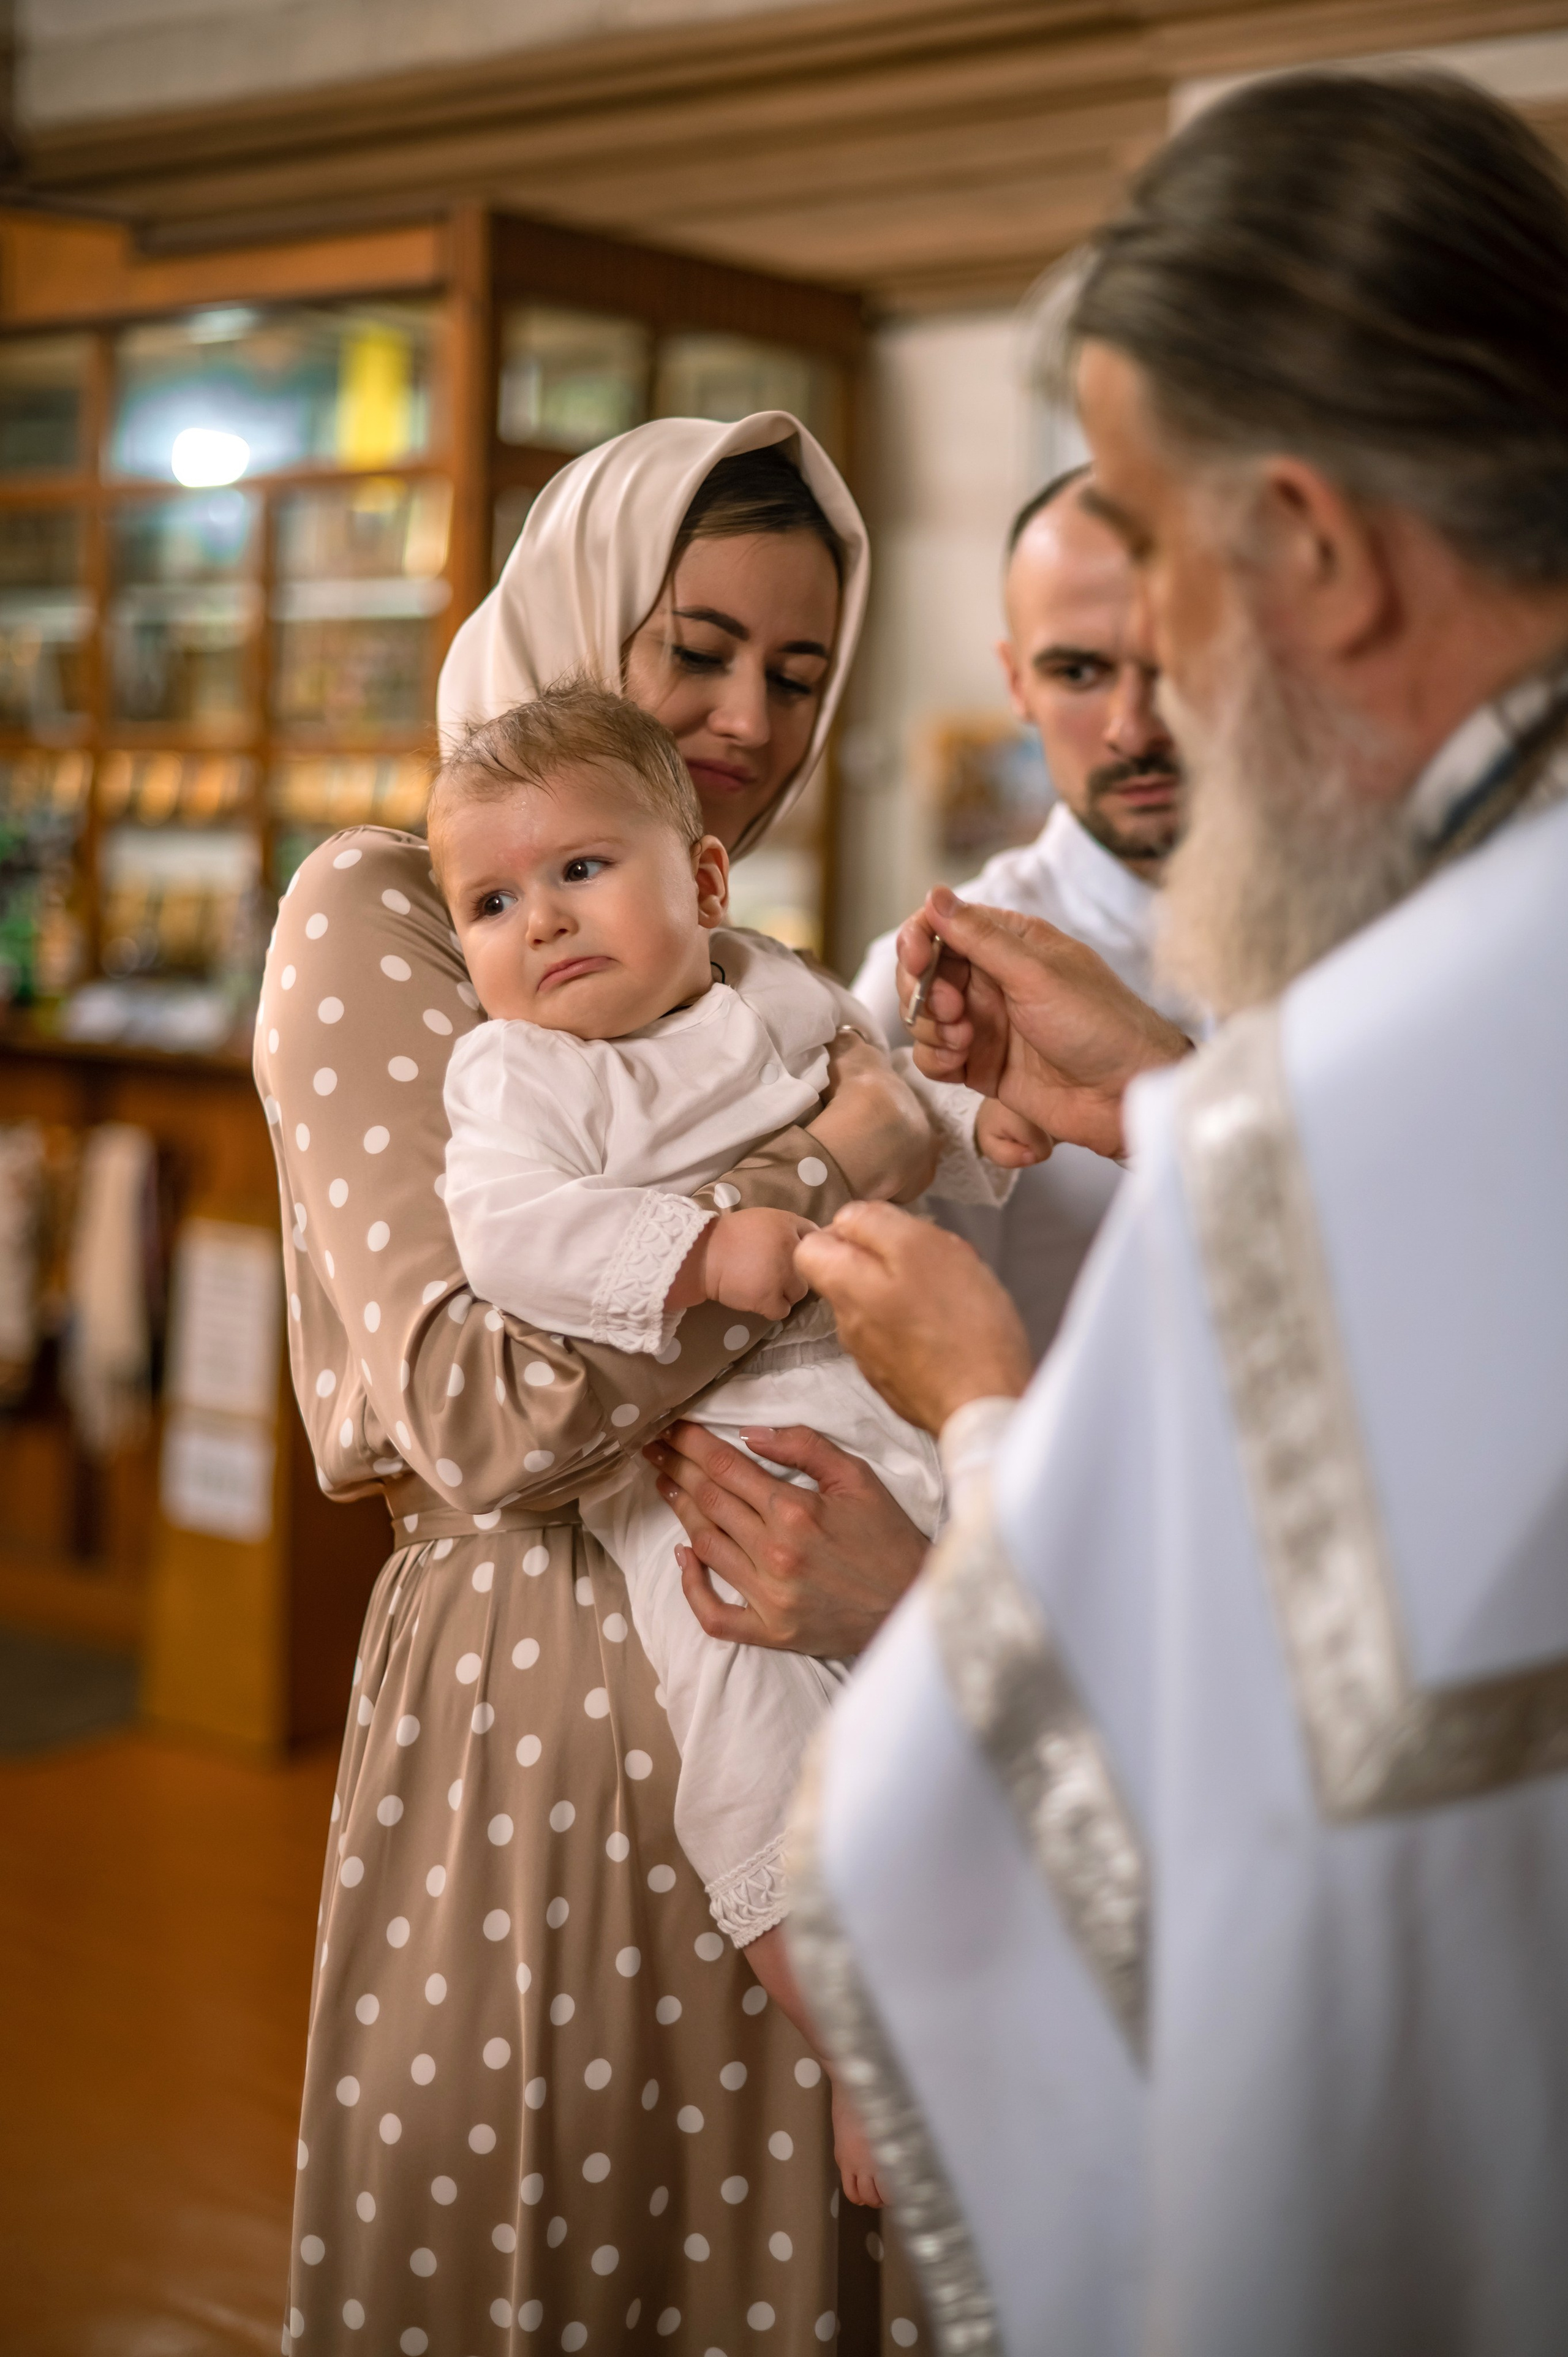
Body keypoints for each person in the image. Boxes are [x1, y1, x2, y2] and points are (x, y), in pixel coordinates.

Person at [782, 70, 1568, 2357]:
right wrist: (1172, 1085)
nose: (1158, 680)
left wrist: (987, 1398)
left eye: (1160, 545)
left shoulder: (1331, 1123)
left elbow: (1080, 1810)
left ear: (1310, 546)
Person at [258, 413, 938, 2355]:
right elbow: (484, 1414)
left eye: (798, 674)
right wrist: (820, 1180)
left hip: (818, 1725)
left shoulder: (740, 964)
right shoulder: (393, 915)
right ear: (576, 617)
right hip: (530, 1732)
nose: (747, 710)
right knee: (537, 2256)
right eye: (695, 646)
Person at [432, 680, 1035, 2159]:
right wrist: (703, 1254)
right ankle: (856, 2061)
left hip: (879, 1378)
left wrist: (983, 1128)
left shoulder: (771, 991)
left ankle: (1002, 1967)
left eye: (582, 869)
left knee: (986, 1643)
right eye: (492, 900)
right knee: (749, 1737)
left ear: (703, 879)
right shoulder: (518, 1071)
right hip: (700, 1449)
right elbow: (508, 1237)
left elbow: (878, 1095)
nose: (545, 921)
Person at [853, 464, 1191, 1356]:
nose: (1134, 728)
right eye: (1079, 670)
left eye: (1179, 661)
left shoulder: (1403, 927)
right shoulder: (944, 993)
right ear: (1016, 682)